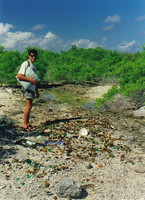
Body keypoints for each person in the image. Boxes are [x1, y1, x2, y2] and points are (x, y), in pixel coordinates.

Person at [17, 49, 39, 131]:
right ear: (28, 56)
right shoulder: (25, 63)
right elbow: (19, 75)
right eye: (31, 56)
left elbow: (35, 80)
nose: (33, 57)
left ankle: (27, 123)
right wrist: (30, 80)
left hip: (32, 88)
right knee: (28, 106)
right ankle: (25, 124)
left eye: (35, 56)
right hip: (28, 88)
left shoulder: (33, 65)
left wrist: (37, 91)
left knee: (30, 106)